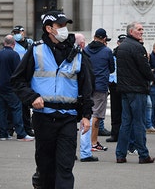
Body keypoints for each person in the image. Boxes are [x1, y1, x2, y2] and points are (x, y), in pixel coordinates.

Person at [11, 10, 93, 188]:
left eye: (65, 26)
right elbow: (17, 81)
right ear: (49, 28)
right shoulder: (36, 50)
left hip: (68, 118)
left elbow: (86, 87)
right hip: (43, 117)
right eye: (60, 26)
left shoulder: (77, 53)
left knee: (65, 166)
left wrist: (86, 115)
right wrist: (32, 97)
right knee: (45, 167)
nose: (65, 29)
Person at [114, 22, 155, 164]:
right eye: (139, 29)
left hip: (125, 89)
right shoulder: (138, 47)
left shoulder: (122, 47)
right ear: (131, 32)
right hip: (137, 90)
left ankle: (120, 154)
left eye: (142, 29)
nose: (142, 31)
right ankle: (143, 154)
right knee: (139, 123)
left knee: (126, 122)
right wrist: (152, 76)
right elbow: (145, 68)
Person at [0, 35, 34, 142]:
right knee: (16, 108)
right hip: (10, 87)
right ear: (14, 43)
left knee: (2, 110)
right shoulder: (14, 54)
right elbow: (17, 72)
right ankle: (21, 134)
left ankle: (3, 134)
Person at [82, 28, 115, 160]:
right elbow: (112, 68)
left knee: (87, 113)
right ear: (104, 39)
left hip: (87, 85)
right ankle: (93, 142)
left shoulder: (85, 50)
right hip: (100, 85)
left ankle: (88, 142)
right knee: (97, 115)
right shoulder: (107, 51)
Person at [11, 26, 35, 136]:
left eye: (18, 32)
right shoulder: (12, 45)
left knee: (26, 106)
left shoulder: (30, 43)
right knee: (17, 105)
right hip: (18, 77)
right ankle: (14, 128)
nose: (17, 34)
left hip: (29, 77)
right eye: (15, 33)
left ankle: (28, 128)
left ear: (23, 32)